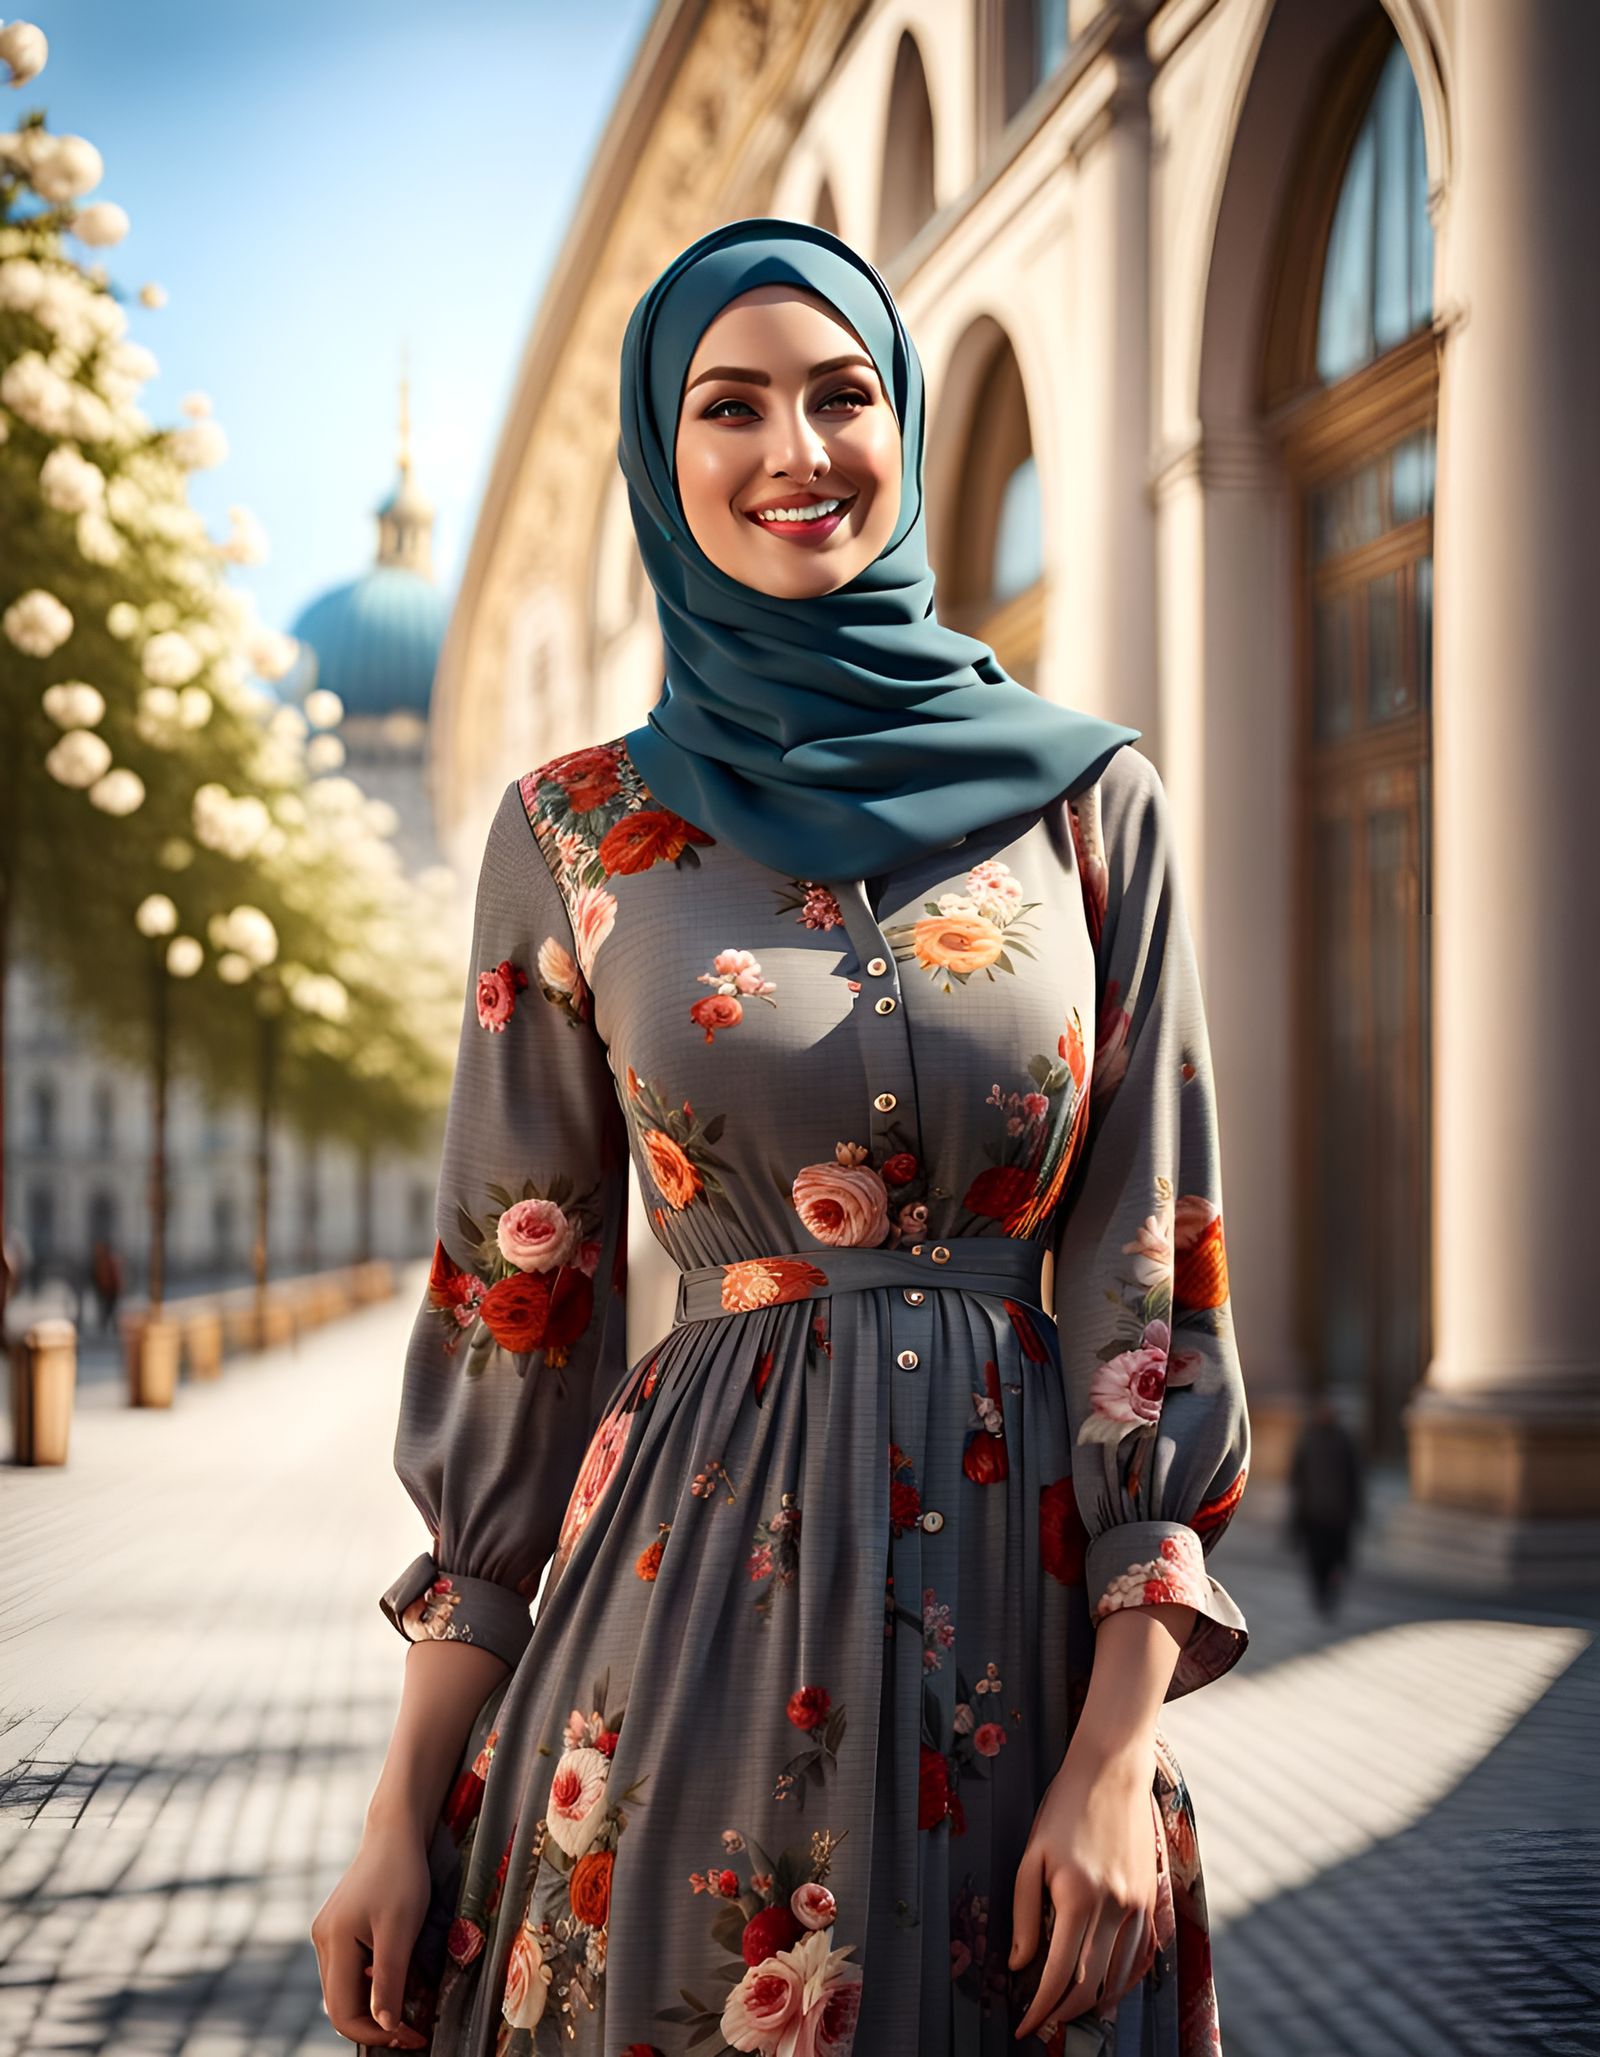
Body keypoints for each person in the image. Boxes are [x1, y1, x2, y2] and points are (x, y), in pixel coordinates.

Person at [312, 219, 1251, 2057]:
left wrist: (1122, 1745)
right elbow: (512, 1336)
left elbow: (1158, 1274)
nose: (793, 451)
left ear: (900, 420)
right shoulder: (571, 835)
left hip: (1030, 1681)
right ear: (667, 464)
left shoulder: (1090, 807)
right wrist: (396, 1812)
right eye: (728, 407)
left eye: (839, 396)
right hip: (666, 1693)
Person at [1287, 1395, 1364, 1618]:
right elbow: (1297, 1477)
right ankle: (1321, 1593)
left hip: (1337, 1514)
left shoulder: (1345, 1440)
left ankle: (1330, 1592)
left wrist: (1357, 1510)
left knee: (1335, 1558)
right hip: (1314, 1513)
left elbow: (1354, 1477)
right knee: (1316, 1559)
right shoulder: (1308, 1439)